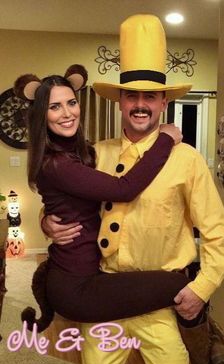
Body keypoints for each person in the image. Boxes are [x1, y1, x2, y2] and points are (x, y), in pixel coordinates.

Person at [42, 14, 224, 364]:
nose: (141, 104)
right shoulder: (94, 154)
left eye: (150, 96)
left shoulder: (188, 160)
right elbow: (64, 195)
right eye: (132, 95)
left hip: (161, 302)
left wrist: (201, 288)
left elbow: (218, 230)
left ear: (163, 102)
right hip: (103, 294)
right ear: (120, 102)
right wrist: (47, 220)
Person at [14, 64, 196, 332]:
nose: (67, 113)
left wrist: (45, 221)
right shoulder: (57, 164)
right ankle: (209, 352)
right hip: (77, 287)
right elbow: (124, 189)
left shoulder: (85, 152)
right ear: (41, 114)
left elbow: (63, 204)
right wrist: (164, 140)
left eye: (71, 103)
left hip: (89, 270)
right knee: (181, 285)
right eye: (54, 107)